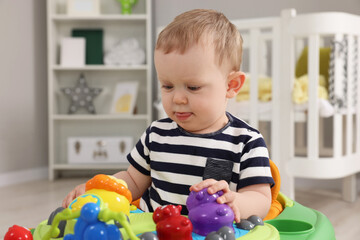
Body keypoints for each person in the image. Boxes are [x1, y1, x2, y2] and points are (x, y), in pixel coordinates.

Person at [62, 9, 274, 223]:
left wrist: (236, 202)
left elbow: (261, 198)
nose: (178, 98)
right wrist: (99, 190)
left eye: (193, 87)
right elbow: (132, 182)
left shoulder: (246, 142)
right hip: (152, 229)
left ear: (231, 85)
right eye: (168, 86)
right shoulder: (156, 135)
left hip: (209, 231)